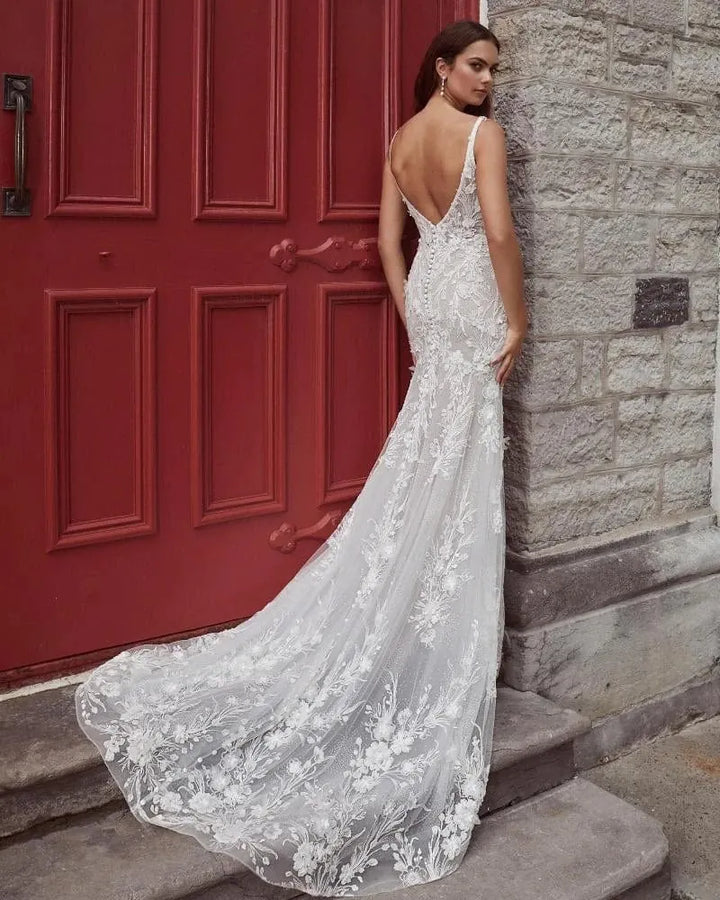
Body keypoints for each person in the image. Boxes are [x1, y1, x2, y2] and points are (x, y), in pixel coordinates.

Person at [75, 19, 527, 898]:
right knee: (458, 466)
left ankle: (407, 613)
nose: (488, 82)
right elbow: (502, 234)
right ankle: (425, 635)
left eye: (493, 71)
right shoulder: (482, 135)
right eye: (476, 66)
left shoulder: (401, 142)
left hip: (436, 297)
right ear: (441, 67)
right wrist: (518, 319)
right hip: (472, 297)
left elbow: (392, 246)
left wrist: (412, 314)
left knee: (429, 462)